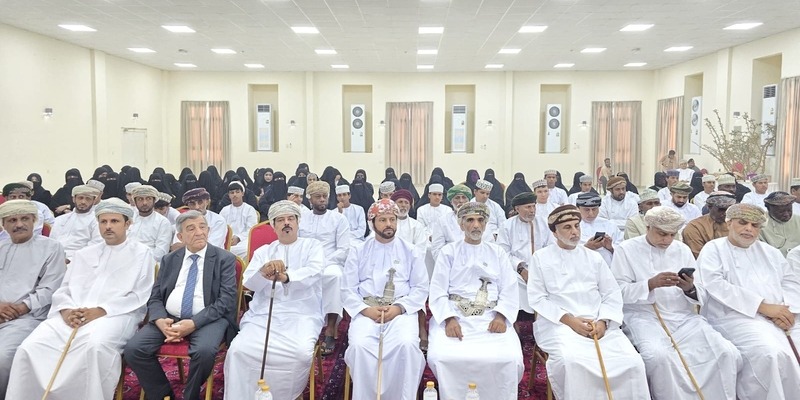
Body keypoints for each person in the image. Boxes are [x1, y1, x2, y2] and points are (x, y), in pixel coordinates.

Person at [7, 198, 155, 400]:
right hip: (72, 314)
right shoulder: (84, 253)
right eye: (103, 222)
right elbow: (64, 288)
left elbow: (139, 295)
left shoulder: (142, 254)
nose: (108, 226)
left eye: (114, 221)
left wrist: (100, 311)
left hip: (116, 315)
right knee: (31, 347)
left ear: (127, 223)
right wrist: (67, 311)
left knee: (94, 346)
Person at [611, 207, 741, 399]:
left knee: (726, 352)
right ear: (648, 227)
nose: (667, 240)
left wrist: (689, 288)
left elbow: (701, 290)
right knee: (658, 357)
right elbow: (617, 291)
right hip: (644, 317)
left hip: (684, 317)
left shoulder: (682, 249)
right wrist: (650, 284)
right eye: (662, 234)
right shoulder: (626, 249)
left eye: (672, 235)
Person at [528, 205, 649, 399]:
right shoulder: (540, 258)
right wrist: (570, 321)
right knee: (572, 362)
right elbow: (537, 298)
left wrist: (604, 321)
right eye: (567, 227)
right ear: (554, 232)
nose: (575, 231)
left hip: (598, 323)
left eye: (577, 226)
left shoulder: (594, 257)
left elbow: (611, 293)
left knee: (632, 362)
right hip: (559, 324)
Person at [124, 210, 238, 400]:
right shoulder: (170, 259)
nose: (199, 232)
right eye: (191, 229)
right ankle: (163, 395)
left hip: (209, 318)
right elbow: (155, 297)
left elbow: (226, 300)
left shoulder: (224, 258)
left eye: (202, 227)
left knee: (204, 352)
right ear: (180, 236)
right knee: (134, 350)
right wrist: (160, 320)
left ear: (209, 230)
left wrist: (193, 323)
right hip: (169, 318)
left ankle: (190, 396)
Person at [697, 203, 800, 398]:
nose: (749, 229)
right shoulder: (714, 249)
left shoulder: (771, 252)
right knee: (770, 353)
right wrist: (762, 307)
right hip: (735, 317)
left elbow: (790, 282)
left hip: (782, 316)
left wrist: (787, 311)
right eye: (743, 223)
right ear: (729, 223)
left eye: (755, 225)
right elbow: (715, 285)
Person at [223, 200, 324, 399]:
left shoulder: (312, 246)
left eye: (291, 218)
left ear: (298, 222)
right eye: (281, 220)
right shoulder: (263, 252)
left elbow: (314, 272)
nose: (286, 223)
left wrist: (286, 277)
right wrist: (263, 272)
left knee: (300, 354)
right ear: (273, 225)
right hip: (263, 314)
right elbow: (249, 283)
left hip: (302, 313)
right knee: (238, 351)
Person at [427, 202, 523, 400]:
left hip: (491, 316)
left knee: (510, 359)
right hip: (456, 314)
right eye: (470, 220)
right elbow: (437, 290)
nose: (476, 225)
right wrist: (449, 319)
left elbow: (509, 288)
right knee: (442, 357)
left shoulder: (497, 252)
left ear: (486, 224)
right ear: (461, 224)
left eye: (480, 220)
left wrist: (501, 316)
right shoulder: (448, 252)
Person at [342, 199, 429, 399]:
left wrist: (399, 308)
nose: (389, 224)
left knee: (406, 345)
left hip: (400, 312)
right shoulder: (359, 250)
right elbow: (347, 289)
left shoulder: (411, 250)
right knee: (359, 347)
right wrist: (366, 310)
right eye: (382, 220)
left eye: (392, 219)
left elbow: (421, 287)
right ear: (372, 223)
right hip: (366, 311)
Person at [0, 200, 66, 399]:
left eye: (24, 219)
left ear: (34, 220)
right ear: (4, 224)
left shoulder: (51, 247)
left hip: (27, 317)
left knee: (2, 358)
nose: (19, 224)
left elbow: (50, 289)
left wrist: (20, 308)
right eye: (12, 220)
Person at [298, 181, 350, 356]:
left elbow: (343, 249)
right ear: (310, 199)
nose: (322, 200)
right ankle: (303, 323)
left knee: (335, 277)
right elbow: (297, 244)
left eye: (324, 196)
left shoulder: (339, 219)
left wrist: (324, 263)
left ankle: (330, 328)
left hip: (331, 262)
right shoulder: (301, 218)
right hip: (306, 263)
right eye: (318, 197)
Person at [496, 192, 553, 314]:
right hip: (518, 270)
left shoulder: (544, 223)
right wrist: (522, 270)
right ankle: (521, 315)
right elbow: (503, 253)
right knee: (512, 281)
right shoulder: (507, 226)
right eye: (528, 207)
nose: (532, 210)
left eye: (534, 206)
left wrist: (540, 269)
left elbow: (550, 248)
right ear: (517, 209)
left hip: (542, 267)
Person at [430, 184, 489, 260]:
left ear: (469, 201)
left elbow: (488, 245)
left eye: (464, 197)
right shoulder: (442, 221)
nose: (461, 201)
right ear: (451, 202)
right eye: (457, 198)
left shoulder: (479, 219)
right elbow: (436, 250)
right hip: (452, 262)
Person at [49, 184, 103, 262]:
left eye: (88, 199)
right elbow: (51, 242)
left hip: (80, 260)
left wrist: (71, 259)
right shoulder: (60, 219)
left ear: (94, 201)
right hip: (55, 258)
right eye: (80, 198)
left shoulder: (97, 220)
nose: (83, 202)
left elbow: (95, 245)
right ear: (74, 199)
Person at [127, 185, 174, 262]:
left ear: (154, 200)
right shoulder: (129, 219)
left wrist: (137, 259)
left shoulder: (163, 222)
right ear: (135, 201)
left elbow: (160, 253)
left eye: (148, 199)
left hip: (149, 263)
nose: (144, 203)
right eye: (140, 199)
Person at [682, 192, 735, 258]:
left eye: (729, 210)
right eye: (721, 210)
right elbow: (700, 257)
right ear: (709, 207)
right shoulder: (695, 227)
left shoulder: (737, 224)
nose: (725, 213)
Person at [576, 192, 620, 266]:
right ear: (578, 209)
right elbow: (566, 252)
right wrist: (586, 247)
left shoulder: (610, 225)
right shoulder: (572, 226)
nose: (591, 213)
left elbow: (622, 250)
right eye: (586, 210)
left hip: (608, 267)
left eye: (594, 209)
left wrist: (610, 247)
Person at [219, 181, 258, 259]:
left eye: (237, 192)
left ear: (242, 193)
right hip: (227, 240)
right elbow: (219, 227)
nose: (235, 195)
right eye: (232, 193)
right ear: (229, 195)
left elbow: (252, 229)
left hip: (243, 240)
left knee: (247, 250)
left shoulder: (249, 209)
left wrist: (238, 238)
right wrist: (227, 238)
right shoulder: (224, 210)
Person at [758, 191, 800, 257]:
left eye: (789, 210)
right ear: (769, 209)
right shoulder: (759, 224)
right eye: (781, 212)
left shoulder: (798, 220)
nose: (786, 214)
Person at [388, 189, 428, 254]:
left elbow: (420, 249)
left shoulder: (416, 226)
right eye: (400, 202)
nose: (403, 205)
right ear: (393, 204)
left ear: (410, 206)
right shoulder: (385, 224)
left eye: (406, 202)